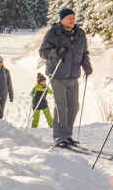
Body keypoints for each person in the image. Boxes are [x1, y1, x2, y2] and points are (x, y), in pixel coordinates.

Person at [37, 8, 93, 149]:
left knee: (74, 107)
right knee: (61, 107)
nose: (72, 20)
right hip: (58, 75)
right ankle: (59, 137)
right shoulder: (53, 33)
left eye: (73, 17)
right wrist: (57, 52)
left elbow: (84, 52)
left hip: (73, 75)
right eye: (69, 17)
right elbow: (43, 52)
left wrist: (86, 65)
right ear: (62, 19)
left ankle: (67, 135)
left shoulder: (80, 34)